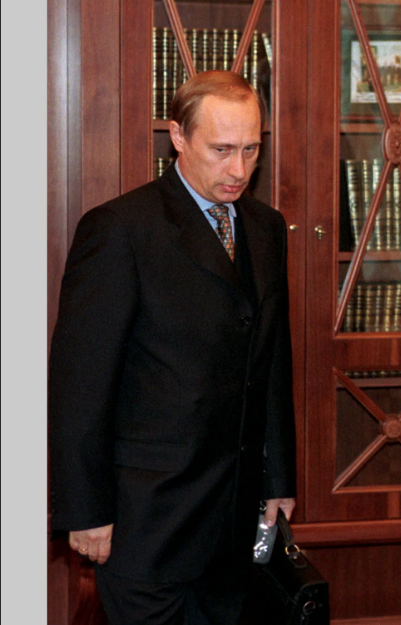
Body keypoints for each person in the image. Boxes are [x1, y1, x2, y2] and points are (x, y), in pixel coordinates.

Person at [49, 70, 297, 624]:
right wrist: (84, 510)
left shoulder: (266, 228)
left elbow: (272, 361)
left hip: (233, 521)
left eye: (252, 150)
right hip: (145, 523)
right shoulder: (120, 229)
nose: (239, 170)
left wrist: (279, 478)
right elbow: (80, 385)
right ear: (178, 137)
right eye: (221, 150)